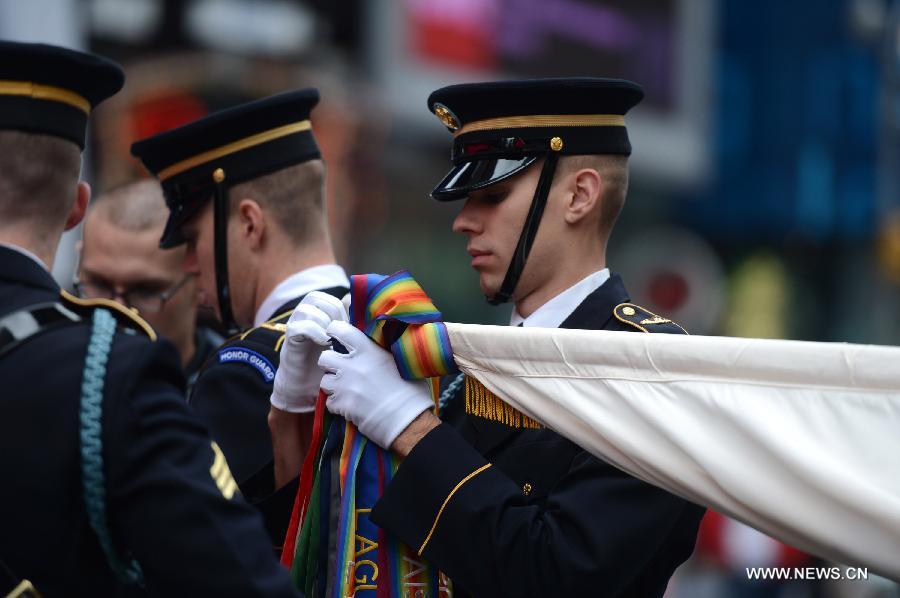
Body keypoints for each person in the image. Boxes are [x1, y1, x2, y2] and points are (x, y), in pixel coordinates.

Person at [308, 78, 706, 596]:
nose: (464, 222)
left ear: (580, 196)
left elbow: (555, 574)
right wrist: (293, 410)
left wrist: (409, 427)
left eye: (492, 195)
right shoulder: (472, 363)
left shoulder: (651, 371)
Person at [0, 40, 298, 596]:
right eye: (99, 284)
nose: (117, 305)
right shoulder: (112, 376)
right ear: (76, 209)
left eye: (146, 290)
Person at [130, 90, 350, 547]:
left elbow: (186, 554)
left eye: (193, 239)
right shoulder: (394, 327)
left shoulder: (243, 372)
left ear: (250, 223)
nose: (189, 265)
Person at [76, 179, 223, 395]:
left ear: (200, 282)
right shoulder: (44, 376)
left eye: (145, 291)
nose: (118, 310)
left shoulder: (232, 394)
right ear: (78, 265)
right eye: (99, 284)